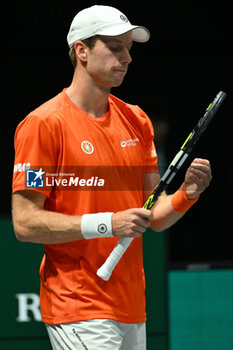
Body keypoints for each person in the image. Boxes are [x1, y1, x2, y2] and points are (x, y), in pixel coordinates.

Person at [12, 5, 212, 350]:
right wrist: (107, 223)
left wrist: (186, 195)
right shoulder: (44, 124)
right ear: (82, 51)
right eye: (115, 47)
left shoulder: (137, 120)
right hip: (78, 303)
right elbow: (25, 223)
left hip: (131, 306)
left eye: (129, 49)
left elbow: (154, 216)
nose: (127, 58)